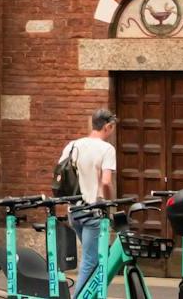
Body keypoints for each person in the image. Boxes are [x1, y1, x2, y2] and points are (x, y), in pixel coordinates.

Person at [56, 109, 117, 288]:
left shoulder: (72, 146)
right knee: (91, 261)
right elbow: (106, 182)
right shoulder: (107, 149)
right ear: (107, 127)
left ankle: (94, 293)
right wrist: (110, 203)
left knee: (100, 257)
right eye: (112, 128)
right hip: (94, 213)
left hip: (74, 212)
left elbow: (61, 175)